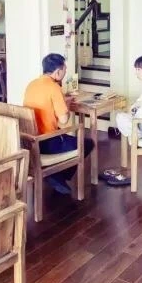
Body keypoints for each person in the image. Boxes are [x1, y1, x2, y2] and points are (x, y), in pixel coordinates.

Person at [23, 53, 94, 195]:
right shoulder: (54, 88)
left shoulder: (31, 84)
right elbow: (64, 120)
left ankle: (56, 175)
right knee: (88, 143)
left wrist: (61, 102)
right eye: (64, 70)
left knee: (72, 140)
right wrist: (66, 105)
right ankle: (56, 175)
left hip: (29, 141)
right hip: (47, 142)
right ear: (57, 72)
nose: (65, 72)